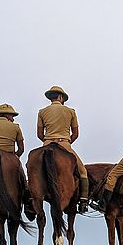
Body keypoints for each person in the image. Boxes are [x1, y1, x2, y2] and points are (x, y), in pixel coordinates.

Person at [37, 85, 89, 213]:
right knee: (83, 172)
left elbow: (39, 134)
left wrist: (48, 140)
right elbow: (76, 133)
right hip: (64, 143)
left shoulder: (42, 112)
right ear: (60, 97)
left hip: (47, 144)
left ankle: (29, 199)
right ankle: (83, 201)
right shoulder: (70, 111)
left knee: (33, 171)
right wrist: (67, 141)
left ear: (51, 98)